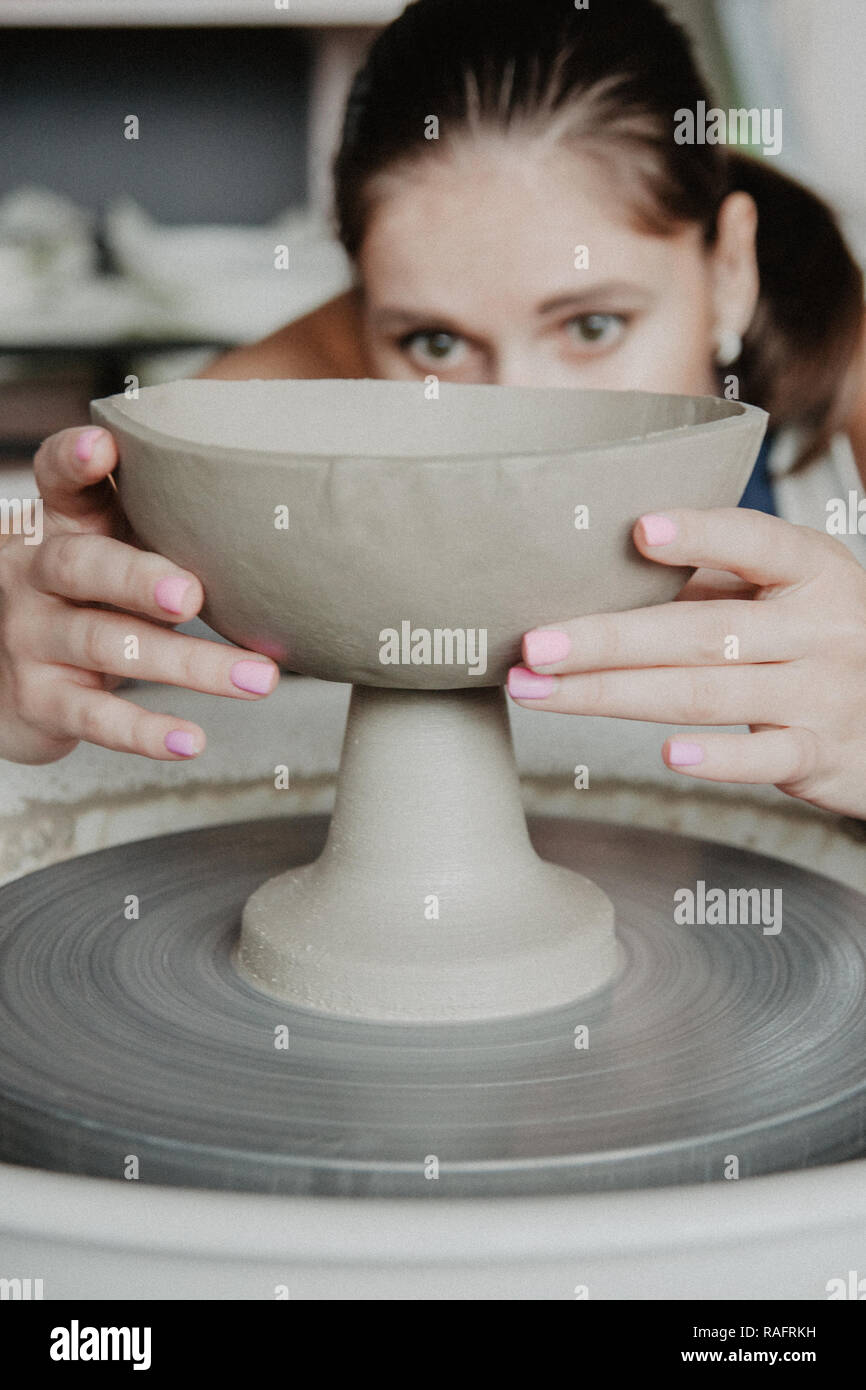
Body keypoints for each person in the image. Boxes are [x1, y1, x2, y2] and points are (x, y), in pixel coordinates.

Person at [2, 0, 865, 819]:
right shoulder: (270, 405)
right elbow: (64, 595)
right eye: (438, 345)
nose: (517, 418)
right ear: (361, 306)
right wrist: (23, 674)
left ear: (730, 272)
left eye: (593, 325)